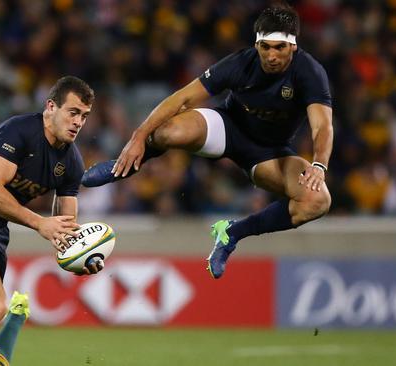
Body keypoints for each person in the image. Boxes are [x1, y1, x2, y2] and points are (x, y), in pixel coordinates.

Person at [82, 3, 332, 279]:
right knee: (167, 131)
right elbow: (182, 98)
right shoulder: (241, 62)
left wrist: (319, 164)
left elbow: (322, 125)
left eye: (279, 48)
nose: (271, 56)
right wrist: (138, 136)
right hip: (227, 127)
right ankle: (122, 167)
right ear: (257, 43)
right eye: (265, 47)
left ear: (293, 46)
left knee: (316, 201)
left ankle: (233, 232)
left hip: (268, 153)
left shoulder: (309, 72)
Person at [0, 76, 104, 366]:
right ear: (51, 107)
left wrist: (82, 254)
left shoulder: (72, 163)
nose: (79, 122)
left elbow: (65, 227)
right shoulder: (20, 130)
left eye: (84, 116)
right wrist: (39, 222)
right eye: (73, 112)